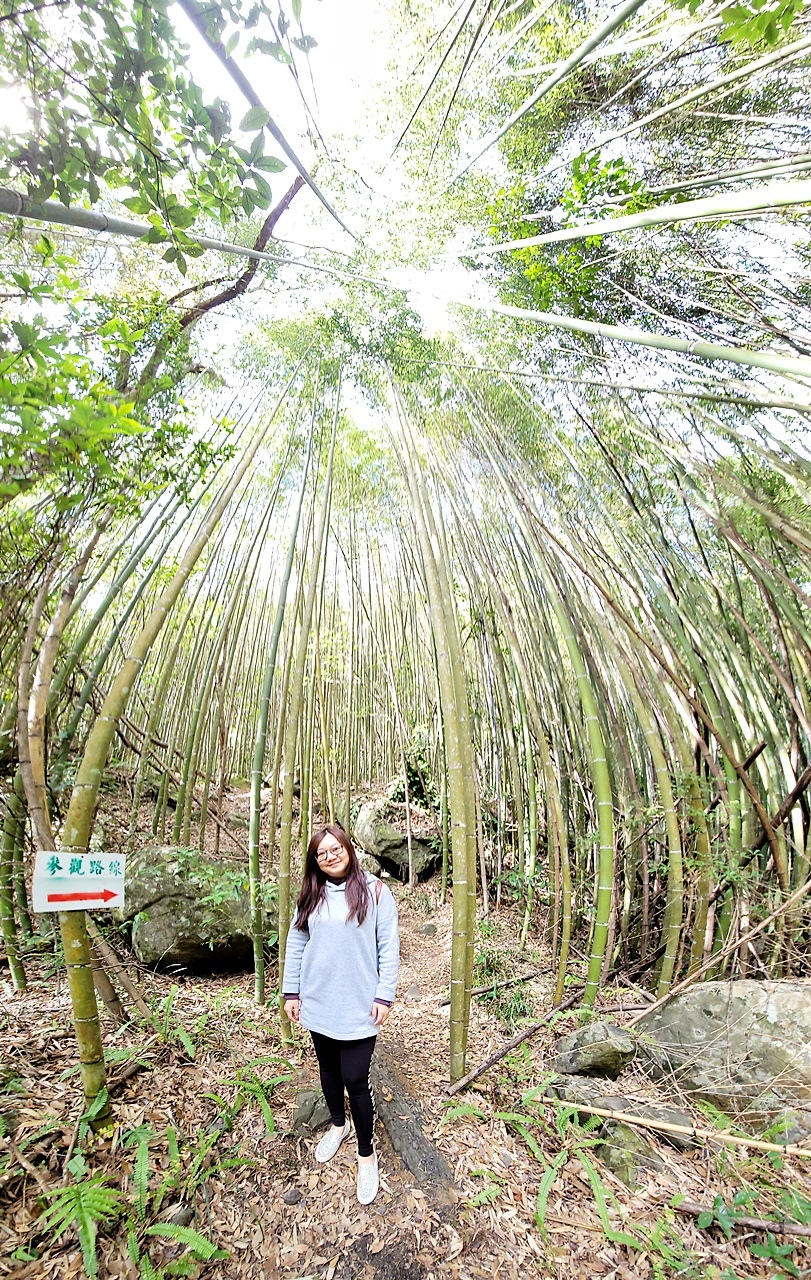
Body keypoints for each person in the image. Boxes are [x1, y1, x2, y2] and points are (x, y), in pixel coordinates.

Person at [282, 824, 399, 1205]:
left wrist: (384, 996)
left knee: (355, 1078)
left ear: (348, 848)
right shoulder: (311, 895)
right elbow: (296, 943)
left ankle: (367, 1155)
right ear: (315, 860)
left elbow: (389, 949)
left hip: (359, 1003)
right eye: (321, 853)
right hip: (318, 1000)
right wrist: (291, 990)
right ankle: (338, 1125)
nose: (330, 856)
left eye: (335, 849)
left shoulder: (376, 892)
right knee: (328, 1070)